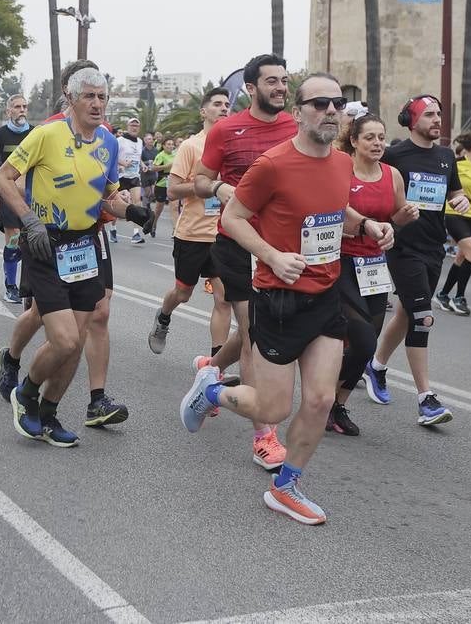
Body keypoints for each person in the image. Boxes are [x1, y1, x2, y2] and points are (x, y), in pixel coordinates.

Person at [180, 74, 395, 524]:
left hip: (325, 295)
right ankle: (213, 391)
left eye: (338, 103)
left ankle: (286, 487)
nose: (331, 111)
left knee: (318, 401)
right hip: (279, 298)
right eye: (320, 103)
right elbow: (234, 217)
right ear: (297, 113)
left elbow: (337, 207)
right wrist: (273, 257)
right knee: (273, 407)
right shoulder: (272, 164)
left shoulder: (340, 163)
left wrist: (367, 224)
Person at [0, 66, 146, 446]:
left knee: (76, 343)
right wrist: (29, 221)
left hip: (85, 245)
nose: (97, 104)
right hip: (45, 241)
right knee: (62, 340)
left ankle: (49, 413)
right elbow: (3, 178)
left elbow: (107, 193)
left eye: (102, 97)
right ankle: (26, 394)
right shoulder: (46, 134)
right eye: (89, 96)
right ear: (72, 99)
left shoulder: (108, 143)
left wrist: (131, 211)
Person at [189, 53, 298, 467]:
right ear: (251, 89)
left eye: (284, 81)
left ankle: (210, 368)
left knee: (254, 327)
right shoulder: (226, 129)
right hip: (237, 242)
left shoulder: (295, 127)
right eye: (272, 81)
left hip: (286, 243)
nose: (280, 88)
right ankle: (264, 435)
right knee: (254, 331)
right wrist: (218, 188)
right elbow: (198, 181)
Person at [363, 96, 470, 426]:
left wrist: (461, 198)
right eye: (429, 114)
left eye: (439, 113)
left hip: (434, 247)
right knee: (422, 317)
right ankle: (426, 399)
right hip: (402, 246)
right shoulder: (394, 156)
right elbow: (376, 190)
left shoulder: (445, 156)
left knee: (407, 312)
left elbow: (453, 193)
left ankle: (376, 366)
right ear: (410, 120)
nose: (437, 119)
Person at [330, 113, 416, 435]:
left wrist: (404, 217)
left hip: (375, 266)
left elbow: (393, 220)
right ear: (354, 141)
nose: (378, 143)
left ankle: (336, 405)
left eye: (381, 137)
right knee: (364, 342)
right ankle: (322, 396)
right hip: (341, 263)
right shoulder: (340, 169)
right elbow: (329, 209)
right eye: (370, 137)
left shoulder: (393, 175)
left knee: (367, 341)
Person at [149, 88, 232, 355]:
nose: (224, 108)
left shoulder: (233, 147)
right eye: (217, 104)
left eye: (227, 104)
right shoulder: (191, 146)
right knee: (183, 294)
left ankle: (215, 364)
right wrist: (209, 186)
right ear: (203, 112)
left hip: (224, 235)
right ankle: (163, 316)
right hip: (192, 235)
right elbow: (172, 190)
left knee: (223, 298)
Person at [435, 131, 471, 317]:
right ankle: (459, 297)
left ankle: (443, 294)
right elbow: (446, 187)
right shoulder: (457, 163)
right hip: (454, 214)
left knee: (462, 257)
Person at [0, 94, 32, 304]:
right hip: (6, 194)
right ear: (9, 111)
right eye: (17, 107)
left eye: (24, 106)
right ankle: (11, 286)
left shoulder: (36, 134)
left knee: (30, 240)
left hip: (32, 196)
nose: (21, 110)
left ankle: (30, 285)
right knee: (14, 237)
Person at [116, 118, 145, 244]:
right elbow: (111, 155)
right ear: (127, 126)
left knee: (137, 202)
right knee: (118, 204)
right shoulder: (119, 141)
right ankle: (113, 227)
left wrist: (142, 164)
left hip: (134, 176)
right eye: (132, 125)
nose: (134, 128)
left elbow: (138, 157)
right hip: (121, 175)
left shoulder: (139, 141)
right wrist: (122, 163)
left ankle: (136, 233)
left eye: (136, 126)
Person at [150, 137, 176, 236]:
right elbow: (153, 168)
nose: (170, 146)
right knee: (158, 208)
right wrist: (166, 166)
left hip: (173, 183)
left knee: (174, 206)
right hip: (161, 184)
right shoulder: (160, 155)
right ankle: (153, 224)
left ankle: (175, 230)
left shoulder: (175, 155)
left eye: (172, 144)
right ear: (164, 146)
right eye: (168, 144)